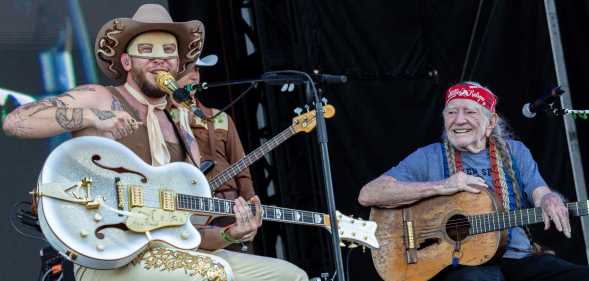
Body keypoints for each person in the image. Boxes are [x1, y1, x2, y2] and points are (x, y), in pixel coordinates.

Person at [2, 4, 307, 281]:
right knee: (212, 274)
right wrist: (91, 117)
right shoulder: (103, 97)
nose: (159, 59)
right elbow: (16, 121)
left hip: (169, 253)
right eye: (146, 50)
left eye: (168, 52)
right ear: (125, 60)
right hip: (104, 254)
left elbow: (188, 231)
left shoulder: (184, 129)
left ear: (178, 64)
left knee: (289, 276)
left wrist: (230, 234)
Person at [358, 82, 589, 281]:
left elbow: (538, 191)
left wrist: (549, 198)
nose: (459, 120)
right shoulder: (429, 156)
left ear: (490, 123)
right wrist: (443, 186)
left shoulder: (514, 151)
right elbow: (369, 194)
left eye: (469, 112)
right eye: (451, 112)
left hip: (519, 258)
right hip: (466, 267)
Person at [176, 55, 257, 253]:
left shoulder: (220, 118)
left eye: (197, 70)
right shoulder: (161, 120)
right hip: (189, 213)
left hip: (229, 210)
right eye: (188, 70)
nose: (194, 76)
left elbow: (242, 169)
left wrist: (251, 207)